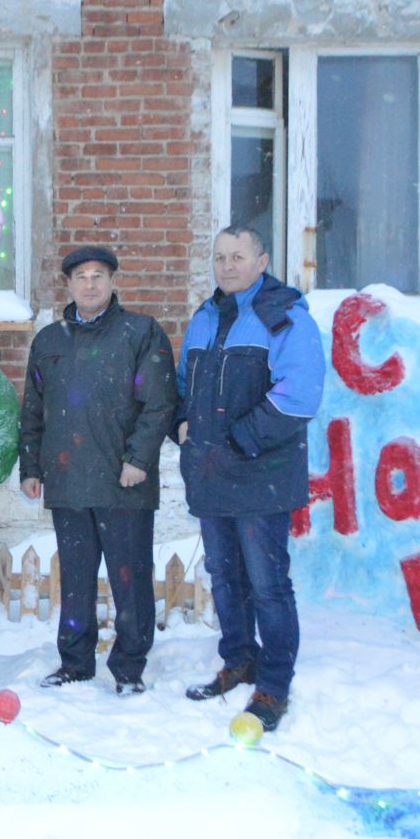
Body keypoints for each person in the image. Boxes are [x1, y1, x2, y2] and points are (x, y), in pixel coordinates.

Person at [175, 226, 326, 732]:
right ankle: (239, 658)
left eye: (237, 256)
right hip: (211, 475)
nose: (227, 266)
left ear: (262, 261)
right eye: (219, 257)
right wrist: (183, 426)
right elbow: (183, 386)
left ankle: (274, 682)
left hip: (261, 474)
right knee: (224, 575)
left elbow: (299, 395)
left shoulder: (283, 317)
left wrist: (237, 441)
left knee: (267, 584)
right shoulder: (205, 317)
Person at [18, 246, 177, 694]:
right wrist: (30, 466)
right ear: (68, 285)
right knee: (76, 579)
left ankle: (129, 668)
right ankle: (75, 662)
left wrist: (138, 461)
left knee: (129, 579)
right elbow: (33, 410)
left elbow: (159, 402)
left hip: (122, 482)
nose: (90, 284)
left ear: (111, 282)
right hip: (68, 482)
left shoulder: (140, 332)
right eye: (81, 277)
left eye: (98, 276)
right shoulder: (49, 341)